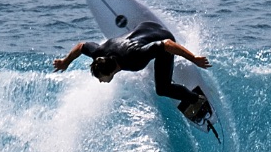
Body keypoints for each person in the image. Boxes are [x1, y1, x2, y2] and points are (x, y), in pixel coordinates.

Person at [53, 21, 217, 137]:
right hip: (145, 26)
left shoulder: (133, 58)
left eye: (102, 78)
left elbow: (166, 44)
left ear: (110, 71)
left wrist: (194, 58)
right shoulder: (100, 53)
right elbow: (82, 47)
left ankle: (196, 99)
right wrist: (65, 62)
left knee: (162, 89)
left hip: (163, 37)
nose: (101, 81)